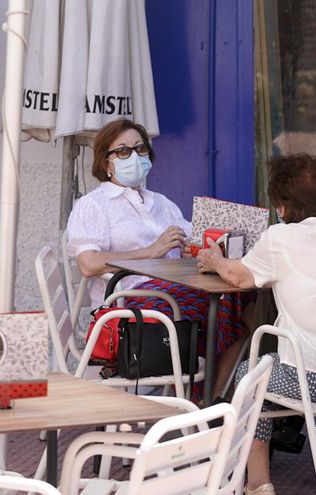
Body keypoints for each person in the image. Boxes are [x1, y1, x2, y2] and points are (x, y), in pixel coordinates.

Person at [198, 154, 316, 495]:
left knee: (252, 375)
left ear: (283, 207)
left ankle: (258, 484)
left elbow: (237, 277)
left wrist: (215, 259)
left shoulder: (280, 238)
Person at [65, 118, 246, 394]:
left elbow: (193, 236)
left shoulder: (160, 203)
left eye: (140, 149)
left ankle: (210, 400)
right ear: (106, 162)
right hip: (130, 301)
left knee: (239, 298)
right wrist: (152, 252)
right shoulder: (94, 205)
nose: (134, 156)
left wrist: (191, 248)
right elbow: (88, 263)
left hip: (172, 292)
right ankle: (203, 402)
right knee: (220, 308)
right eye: (123, 151)